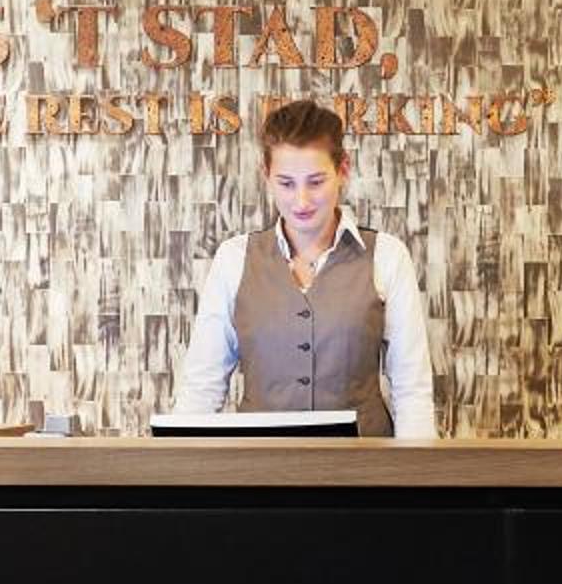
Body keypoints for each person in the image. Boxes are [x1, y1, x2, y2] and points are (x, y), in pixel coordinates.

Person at [175, 99, 438, 438]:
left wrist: (417, 470)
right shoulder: (233, 259)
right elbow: (202, 389)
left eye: (315, 182)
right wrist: (178, 464)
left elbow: (412, 390)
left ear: (342, 170)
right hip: (258, 465)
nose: (301, 201)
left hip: (365, 466)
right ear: (266, 175)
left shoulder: (388, 256)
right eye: (286, 183)